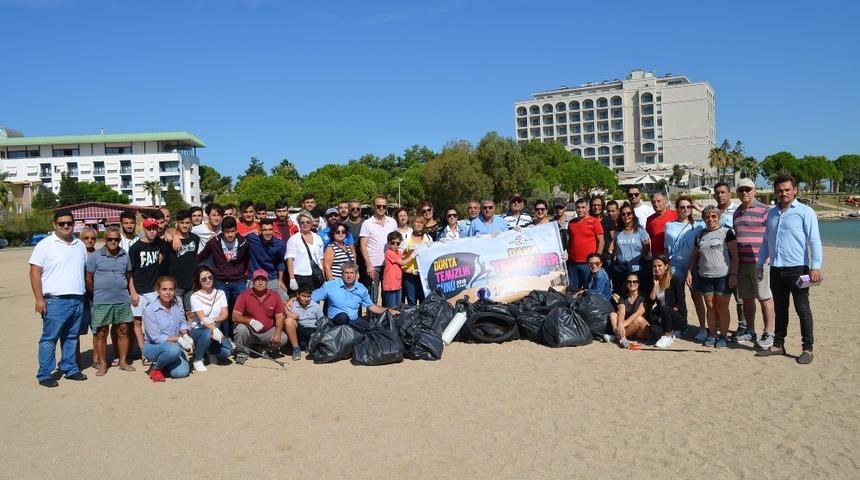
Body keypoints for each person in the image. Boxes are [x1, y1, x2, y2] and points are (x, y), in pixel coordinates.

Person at [756, 174, 822, 364]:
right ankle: (778, 344)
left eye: (787, 190)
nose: (783, 193)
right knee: (781, 309)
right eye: (780, 190)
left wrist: (815, 266)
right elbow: (766, 241)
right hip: (776, 268)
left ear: (795, 190)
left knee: (803, 309)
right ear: (775, 191)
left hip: (798, 270)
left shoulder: (805, 212)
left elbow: (814, 240)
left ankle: (807, 349)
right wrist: (760, 263)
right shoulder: (772, 213)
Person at [29, 210, 89, 387]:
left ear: (73, 224)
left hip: (77, 299)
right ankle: (45, 373)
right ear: (55, 224)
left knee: (71, 337)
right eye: (61, 223)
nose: (65, 226)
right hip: (55, 300)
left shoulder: (79, 244)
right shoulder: (45, 245)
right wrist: (39, 299)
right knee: (50, 338)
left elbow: (85, 271)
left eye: (69, 223)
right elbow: (34, 272)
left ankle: (70, 368)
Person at [686, 205, 738, 348]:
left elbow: (735, 256)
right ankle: (712, 334)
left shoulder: (727, 232)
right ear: (703, 219)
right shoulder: (701, 234)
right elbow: (695, 255)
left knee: (722, 306)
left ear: (719, 217)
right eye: (707, 217)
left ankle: (723, 336)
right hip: (705, 276)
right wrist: (689, 271)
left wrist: (734, 274)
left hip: (724, 276)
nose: (710, 219)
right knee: (710, 305)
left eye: (714, 216)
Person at [86, 226, 134, 376]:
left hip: (122, 299)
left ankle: (123, 361)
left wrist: (130, 293)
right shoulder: (95, 256)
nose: (113, 242)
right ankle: (103, 363)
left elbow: (129, 276)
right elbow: (89, 278)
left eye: (116, 239)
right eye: (110, 239)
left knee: (123, 330)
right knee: (101, 332)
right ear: (105, 240)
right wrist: (96, 294)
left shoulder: (124, 255)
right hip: (101, 301)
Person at [733, 178, 775, 347]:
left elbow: (773, 235)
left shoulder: (766, 210)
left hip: (761, 263)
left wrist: (769, 259)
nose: (745, 192)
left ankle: (768, 332)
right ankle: (750, 330)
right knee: (747, 298)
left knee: (764, 297)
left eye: (748, 189)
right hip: (742, 263)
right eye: (741, 189)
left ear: (754, 191)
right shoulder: (737, 212)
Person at [196, 215, 249, 336]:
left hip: (239, 281)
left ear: (236, 230)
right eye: (226, 232)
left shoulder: (244, 243)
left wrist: (242, 273)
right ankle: (225, 336)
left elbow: (247, 260)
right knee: (222, 311)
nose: (230, 235)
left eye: (232, 231)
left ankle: (241, 336)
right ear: (222, 231)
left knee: (242, 309)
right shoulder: (214, 242)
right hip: (220, 281)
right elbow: (201, 256)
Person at [233, 269, 300, 362]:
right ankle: (242, 353)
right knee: (240, 329)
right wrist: (250, 321)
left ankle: (262, 348)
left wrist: (277, 333)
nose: (260, 282)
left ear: (267, 282)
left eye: (263, 280)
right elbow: (235, 317)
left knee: (283, 338)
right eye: (257, 279)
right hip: (250, 331)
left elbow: (279, 316)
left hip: (267, 332)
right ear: (253, 282)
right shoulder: (244, 295)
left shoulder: (275, 296)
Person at [664, 195, 707, 341]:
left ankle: (702, 328)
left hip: (693, 265)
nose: (686, 209)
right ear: (677, 209)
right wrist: (666, 267)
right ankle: (679, 326)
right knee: (676, 298)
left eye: (689, 207)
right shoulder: (669, 225)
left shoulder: (699, 225)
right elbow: (666, 248)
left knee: (696, 297)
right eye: (682, 207)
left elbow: (720, 219)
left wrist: (699, 208)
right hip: (674, 266)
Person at [310, 262, 394, 331]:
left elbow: (372, 306)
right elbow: (311, 299)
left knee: (372, 329)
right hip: (335, 323)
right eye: (346, 273)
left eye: (351, 273)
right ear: (342, 274)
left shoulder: (361, 289)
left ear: (356, 274)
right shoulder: (330, 286)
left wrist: (388, 310)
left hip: (354, 321)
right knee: (343, 317)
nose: (349, 276)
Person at [129, 217, 168, 366]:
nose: (152, 231)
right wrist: (132, 291)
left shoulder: (159, 242)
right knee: (137, 321)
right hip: (138, 290)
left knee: (155, 320)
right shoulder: (135, 248)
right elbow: (129, 273)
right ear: (144, 230)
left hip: (153, 290)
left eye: (154, 228)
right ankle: (143, 351)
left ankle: (156, 348)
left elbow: (164, 251)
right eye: (149, 229)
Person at [142, 276, 191, 381]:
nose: (168, 293)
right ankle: (156, 368)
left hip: (173, 346)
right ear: (158, 291)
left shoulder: (178, 301)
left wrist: (185, 334)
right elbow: (155, 337)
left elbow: (182, 322)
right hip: (153, 346)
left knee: (181, 373)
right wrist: (179, 339)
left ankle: (166, 363)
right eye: (164, 289)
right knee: (174, 349)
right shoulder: (149, 310)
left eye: (171, 289)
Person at [714, 181, 746, 336]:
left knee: (739, 295)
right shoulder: (714, 212)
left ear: (729, 194)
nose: (720, 195)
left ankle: (743, 325)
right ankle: (719, 323)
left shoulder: (737, 211)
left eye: (723, 192)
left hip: (736, 258)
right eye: (717, 193)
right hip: (718, 260)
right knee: (720, 295)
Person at [188, 266, 234, 371]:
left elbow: (225, 315)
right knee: (207, 333)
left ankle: (209, 351)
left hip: (215, 330)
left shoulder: (220, 293)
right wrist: (214, 329)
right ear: (198, 281)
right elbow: (202, 319)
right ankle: (198, 359)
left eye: (210, 277)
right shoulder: (195, 297)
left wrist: (213, 321)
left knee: (228, 351)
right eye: (204, 279)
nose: (208, 280)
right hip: (199, 330)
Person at [359, 195, 396, 302]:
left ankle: (385, 318)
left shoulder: (392, 222)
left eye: (384, 206)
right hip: (373, 265)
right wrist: (369, 265)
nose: (381, 208)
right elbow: (363, 246)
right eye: (378, 206)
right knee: (373, 297)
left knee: (387, 295)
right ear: (373, 207)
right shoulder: (367, 223)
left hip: (389, 264)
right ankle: (372, 319)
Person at [163, 210, 200, 315]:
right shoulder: (170, 240)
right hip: (175, 284)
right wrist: (173, 235)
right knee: (177, 313)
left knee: (190, 313)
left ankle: (188, 332)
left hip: (190, 284)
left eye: (187, 223)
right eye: (182, 223)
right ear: (177, 223)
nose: (185, 225)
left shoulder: (195, 238)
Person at [609, 203, 650, 295]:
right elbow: (615, 247)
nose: (626, 216)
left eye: (628, 213)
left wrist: (641, 258)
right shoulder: (618, 232)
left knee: (638, 294)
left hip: (637, 268)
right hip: (621, 269)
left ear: (633, 215)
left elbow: (647, 247)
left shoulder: (640, 230)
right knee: (622, 294)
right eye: (623, 214)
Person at [649, 254, 686, 349]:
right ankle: (668, 332)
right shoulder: (654, 281)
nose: (657, 268)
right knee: (653, 330)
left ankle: (668, 335)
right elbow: (651, 300)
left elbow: (681, 302)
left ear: (666, 266)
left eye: (659, 266)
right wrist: (655, 286)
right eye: (654, 266)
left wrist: (667, 314)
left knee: (665, 309)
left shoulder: (674, 280)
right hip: (663, 316)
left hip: (677, 316)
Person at [566, 197, 605, 290]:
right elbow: (570, 240)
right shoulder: (571, 223)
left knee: (590, 289)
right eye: (578, 207)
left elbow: (601, 241)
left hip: (588, 263)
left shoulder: (594, 221)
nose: (580, 210)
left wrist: (597, 259)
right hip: (573, 263)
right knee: (573, 289)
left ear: (588, 208)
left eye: (583, 207)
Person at [245, 218, 288, 300]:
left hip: (271, 277)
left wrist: (280, 280)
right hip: (254, 278)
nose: (268, 233)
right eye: (264, 230)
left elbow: (280, 262)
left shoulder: (279, 244)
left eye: (270, 229)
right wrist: (252, 231)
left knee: (284, 300)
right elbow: (239, 236)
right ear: (260, 230)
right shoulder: (252, 239)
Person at [608, 273, 649, 348]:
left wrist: (622, 325)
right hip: (629, 328)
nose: (632, 283)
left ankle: (617, 336)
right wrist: (620, 323)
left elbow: (638, 313)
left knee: (638, 319)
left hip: (641, 330)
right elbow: (622, 312)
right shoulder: (623, 297)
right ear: (626, 284)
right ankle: (622, 337)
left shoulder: (644, 296)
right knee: (613, 314)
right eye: (629, 282)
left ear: (638, 283)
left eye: (634, 281)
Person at [286, 212, 325, 290]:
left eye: (308, 222)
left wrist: (323, 275)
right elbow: (289, 260)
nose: (305, 224)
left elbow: (321, 259)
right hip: (300, 276)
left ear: (311, 223)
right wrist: (292, 279)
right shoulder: (293, 239)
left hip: (316, 276)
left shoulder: (318, 238)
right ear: (299, 224)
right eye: (302, 222)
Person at [77, 226, 97, 367]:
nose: (89, 241)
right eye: (86, 238)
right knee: (75, 332)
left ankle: (96, 359)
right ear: (80, 239)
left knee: (98, 331)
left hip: (96, 299)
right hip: (80, 299)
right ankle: (75, 361)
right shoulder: (75, 255)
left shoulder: (99, 255)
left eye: (93, 238)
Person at [285, 283, 324, 350]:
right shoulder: (292, 305)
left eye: (308, 296)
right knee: (289, 320)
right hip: (299, 330)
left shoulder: (316, 306)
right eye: (303, 296)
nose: (306, 299)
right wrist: (288, 315)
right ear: (298, 295)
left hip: (312, 330)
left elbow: (322, 321)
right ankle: (297, 348)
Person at [402, 217, 432, 305]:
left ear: (424, 225)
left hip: (423, 275)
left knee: (424, 299)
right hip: (409, 274)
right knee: (412, 301)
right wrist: (407, 249)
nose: (418, 224)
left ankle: (422, 319)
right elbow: (400, 253)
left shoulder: (428, 238)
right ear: (412, 224)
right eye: (416, 222)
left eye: (421, 222)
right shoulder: (406, 237)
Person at [382, 232, 410, 307]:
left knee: (398, 307)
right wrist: (413, 255)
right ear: (388, 242)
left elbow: (402, 265)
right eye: (393, 243)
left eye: (397, 243)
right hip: (390, 285)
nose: (395, 245)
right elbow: (402, 262)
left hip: (398, 284)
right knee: (391, 307)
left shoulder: (399, 252)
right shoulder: (389, 252)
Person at [645, 192, 678, 257]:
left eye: (658, 201)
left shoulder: (675, 214)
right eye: (653, 202)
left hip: (674, 254)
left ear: (665, 202)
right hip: (657, 256)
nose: (656, 204)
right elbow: (649, 237)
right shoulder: (649, 219)